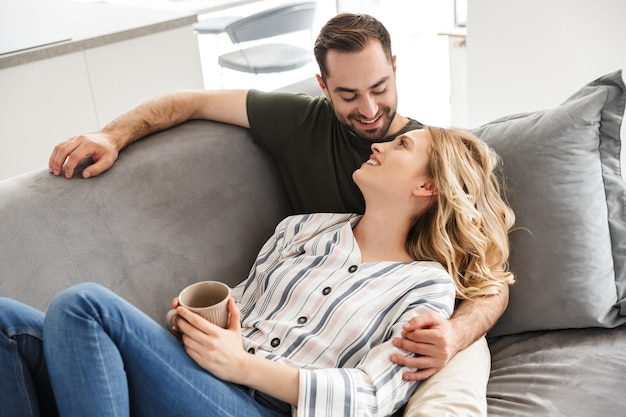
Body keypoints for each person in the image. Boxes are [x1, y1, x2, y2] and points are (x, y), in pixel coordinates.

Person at [1, 126, 515, 417]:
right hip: (201, 381)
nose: (378, 145)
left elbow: (373, 393)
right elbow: (242, 307)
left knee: (84, 306)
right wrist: (202, 326)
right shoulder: (303, 229)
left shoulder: (424, 284)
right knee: (6, 324)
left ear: (426, 188)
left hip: (264, 406)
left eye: (402, 146)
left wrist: (242, 367)